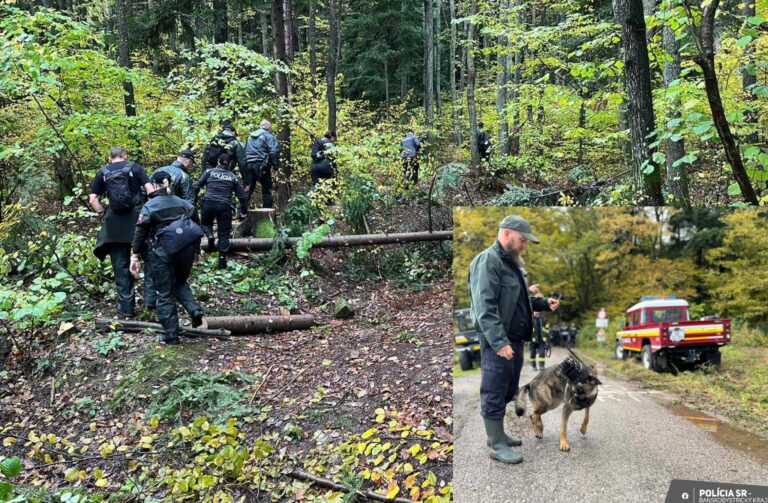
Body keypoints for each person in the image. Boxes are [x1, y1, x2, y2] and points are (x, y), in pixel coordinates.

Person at [468, 215, 560, 464]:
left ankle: (498, 435)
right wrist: (499, 342)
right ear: (507, 234)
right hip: (499, 342)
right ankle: (496, 444)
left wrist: (543, 303)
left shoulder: (511, 264)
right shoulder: (488, 261)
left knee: (508, 390)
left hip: (515, 340)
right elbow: (484, 307)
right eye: (522, 240)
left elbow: (521, 301)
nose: (524, 245)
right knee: (494, 391)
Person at [130, 171, 204, 345]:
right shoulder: (185, 204)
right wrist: (197, 252)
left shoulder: (150, 206)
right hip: (186, 251)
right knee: (179, 282)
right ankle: (194, 310)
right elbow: (196, 228)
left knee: (164, 292)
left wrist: (134, 255)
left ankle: (171, 335)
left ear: (155, 185)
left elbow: (140, 232)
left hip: (162, 253)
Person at [89, 147, 153, 317]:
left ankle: (126, 309)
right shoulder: (136, 168)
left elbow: (93, 199)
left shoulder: (102, 172)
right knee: (150, 261)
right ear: (125, 156)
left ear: (109, 158)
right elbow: (151, 191)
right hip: (138, 222)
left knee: (121, 266)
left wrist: (104, 214)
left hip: (114, 226)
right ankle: (151, 306)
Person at [193, 153, 249, 269]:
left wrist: (193, 200)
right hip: (224, 205)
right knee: (223, 235)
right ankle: (222, 261)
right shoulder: (232, 176)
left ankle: (209, 236)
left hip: (208, 203)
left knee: (205, 223)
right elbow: (242, 196)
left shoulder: (209, 172)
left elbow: (197, 186)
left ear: (218, 161)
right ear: (230, 164)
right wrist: (244, 210)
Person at [244, 119, 280, 208]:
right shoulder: (269, 136)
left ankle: (241, 212)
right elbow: (274, 151)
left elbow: (245, 150)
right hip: (261, 166)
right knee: (266, 189)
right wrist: (276, 166)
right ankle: (267, 214)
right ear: (269, 127)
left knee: (248, 188)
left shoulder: (250, 137)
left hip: (249, 165)